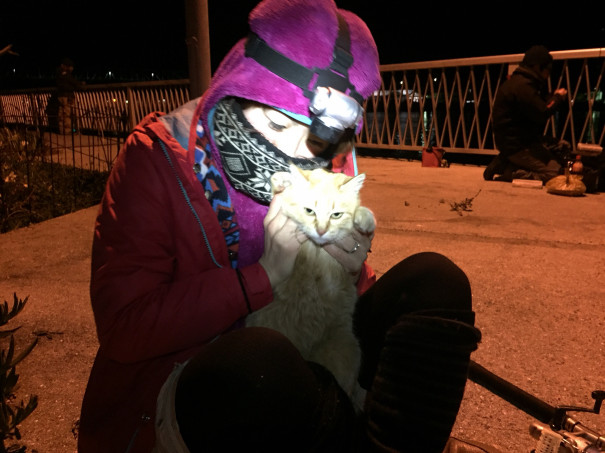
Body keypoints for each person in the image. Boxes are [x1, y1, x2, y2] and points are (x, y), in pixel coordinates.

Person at [78, 1, 481, 452]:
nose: (293, 151)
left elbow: (340, 297)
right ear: (237, 82)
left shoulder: (326, 158)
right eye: (274, 120)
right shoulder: (155, 158)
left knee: (433, 283)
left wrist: (350, 272)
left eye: (314, 137)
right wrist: (262, 277)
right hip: (199, 384)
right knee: (261, 362)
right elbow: (123, 329)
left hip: (309, 351)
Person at [484, 45, 569, 182]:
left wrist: (552, 97)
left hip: (520, 141)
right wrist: (558, 98)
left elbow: (536, 105)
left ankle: (505, 160)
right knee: (555, 175)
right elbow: (542, 112)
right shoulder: (522, 87)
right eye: (548, 69)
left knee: (562, 147)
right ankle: (510, 171)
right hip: (517, 145)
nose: (548, 74)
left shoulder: (522, 83)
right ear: (537, 67)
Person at [56, 57, 84, 134]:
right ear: (68, 67)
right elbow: (76, 84)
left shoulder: (59, 75)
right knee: (67, 114)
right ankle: (67, 131)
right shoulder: (68, 76)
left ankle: (61, 130)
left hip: (60, 96)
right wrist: (81, 84)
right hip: (67, 96)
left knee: (61, 113)